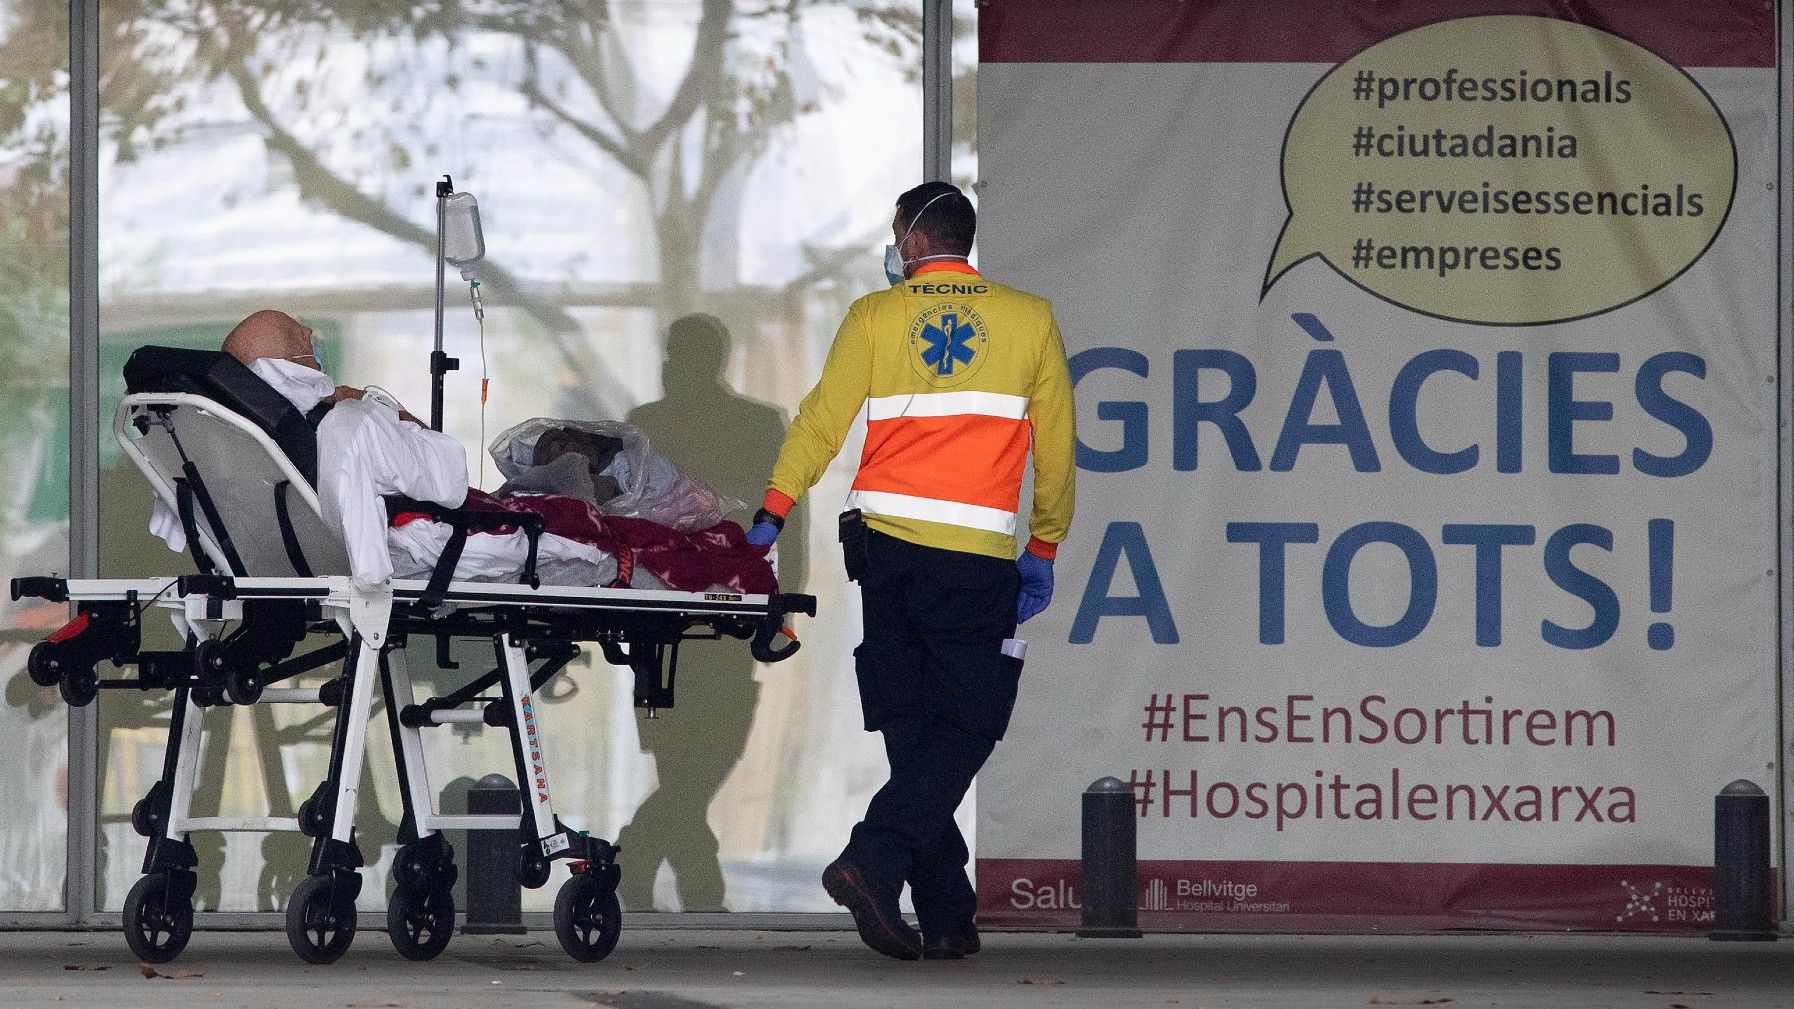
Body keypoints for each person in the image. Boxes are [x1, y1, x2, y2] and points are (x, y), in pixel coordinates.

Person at [745, 181, 1075, 960]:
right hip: (973, 560)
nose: (891, 250)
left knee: (913, 723)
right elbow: (1057, 448)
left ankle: (948, 913)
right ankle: (873, 859)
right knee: (968, 723)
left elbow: (822, 419)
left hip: (886, 554)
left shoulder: (875, 316)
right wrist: (1046, 542)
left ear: (916, 241)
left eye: (895, 235)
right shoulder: (1030, 320)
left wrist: (773, 508)